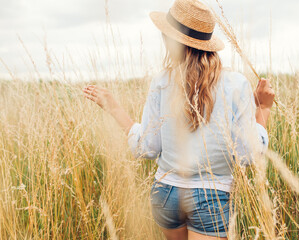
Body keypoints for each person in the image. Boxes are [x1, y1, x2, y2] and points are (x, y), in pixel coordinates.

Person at [82, 0, 275, 239]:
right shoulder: (236, 84)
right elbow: (248, 155)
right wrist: (263, 110)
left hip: (166, 194)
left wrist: (114, 108)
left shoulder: (162, 81)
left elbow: (147, 148)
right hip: (211, 197)